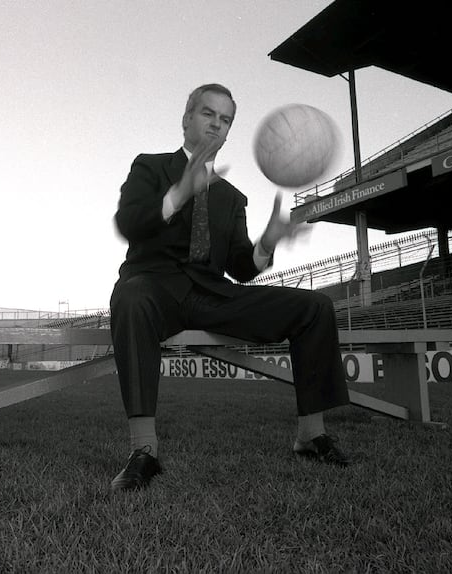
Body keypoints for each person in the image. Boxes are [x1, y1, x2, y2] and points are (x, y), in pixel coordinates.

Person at [109, 83, 350, 491]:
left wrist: (267, 244)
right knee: (131, 297)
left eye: (225, 120)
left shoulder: (232, 198)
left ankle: (311, 435)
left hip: (212, 295)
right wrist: (178, 195)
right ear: (187, 119)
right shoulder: (150, 167)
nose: (216, 124)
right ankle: (143, 450)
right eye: (208, 114)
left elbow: (240, 267)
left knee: (316, 307)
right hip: (153, 287)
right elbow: (128, 223)